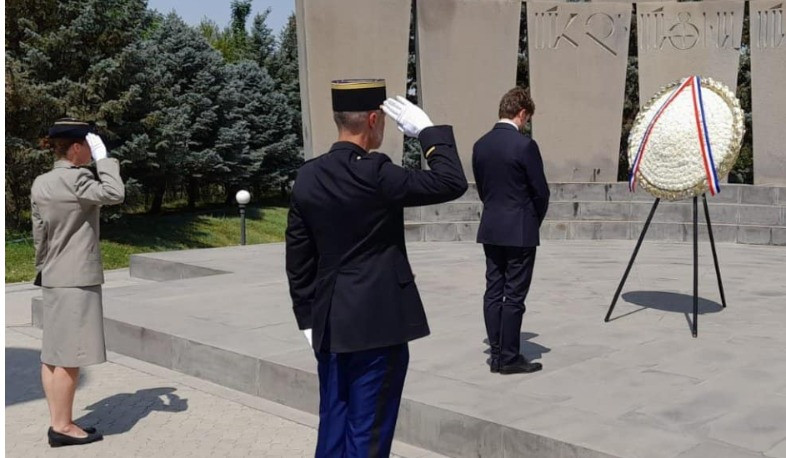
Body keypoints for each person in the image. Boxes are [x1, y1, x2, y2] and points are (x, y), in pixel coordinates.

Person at [285, 79, 467, 457]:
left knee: (334, 423)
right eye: (382, 120)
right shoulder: (377, 173)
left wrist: (306, 318)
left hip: (330, 322)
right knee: (368, 432)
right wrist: (428, 132)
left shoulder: (308, 176)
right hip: (378, 325)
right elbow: (451, 181)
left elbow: (298, 258)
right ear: (372, 120)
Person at [31, 118, 125, 447]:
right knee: (69, 356)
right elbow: (115, 193)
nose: (89, 150)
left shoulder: (41, 182)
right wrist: (105, 160)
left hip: (54, 275)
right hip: (77, 280)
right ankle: (63, 427)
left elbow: (39, 236)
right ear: (76, 148)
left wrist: (43, 267)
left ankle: (58, 421)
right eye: (88, 144)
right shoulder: (78, 179)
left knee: (53, 354)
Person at [472, 87, 549, 375]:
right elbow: (540, 192)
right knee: (514, 294)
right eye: (527, 118)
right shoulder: (525, 146)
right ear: (522, 113)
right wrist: (532, 220)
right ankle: (509, 357)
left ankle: (496, 353)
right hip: (519, 228)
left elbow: (482, 189)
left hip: (491, 226)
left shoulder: (480, 145)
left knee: (493, 290)